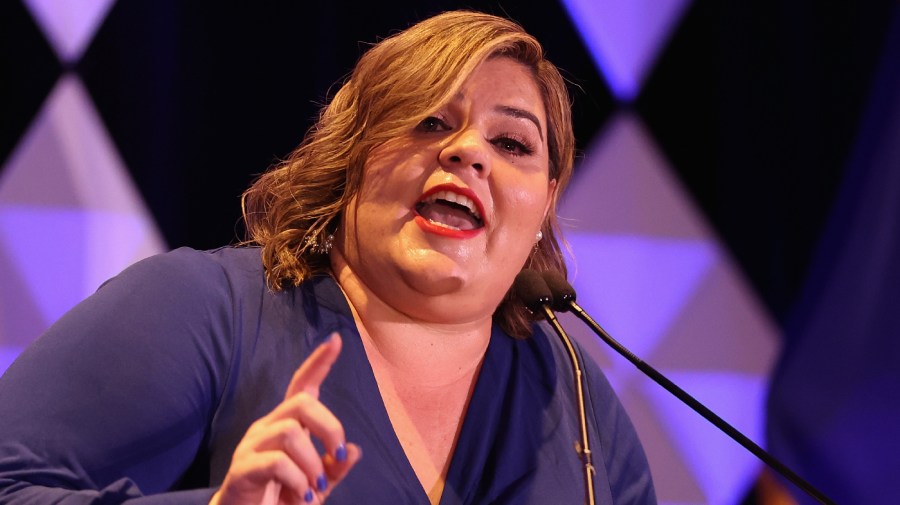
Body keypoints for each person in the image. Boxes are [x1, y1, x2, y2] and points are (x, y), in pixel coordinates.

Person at [0, 10, 656, 505]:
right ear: (351, 158)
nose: (467, 152)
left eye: (513, 142)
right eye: (428, 121)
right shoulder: (205, 309)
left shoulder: (576, 400)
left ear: (544, 202)